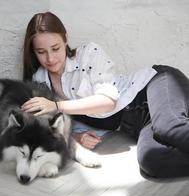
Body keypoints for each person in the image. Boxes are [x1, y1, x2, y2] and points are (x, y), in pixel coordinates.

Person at [21, 11, 189, 178]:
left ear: (66, 38)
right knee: (151, 161)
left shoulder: (88, 54)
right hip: (142, 122)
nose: (50, 58)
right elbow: (46, 129)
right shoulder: (40, 83)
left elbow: (108, 101)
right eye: (41, 52)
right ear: (33, 52)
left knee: (169, 127)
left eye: (55, 48)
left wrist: (57, 105)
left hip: (156, 85)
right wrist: (77, 137)